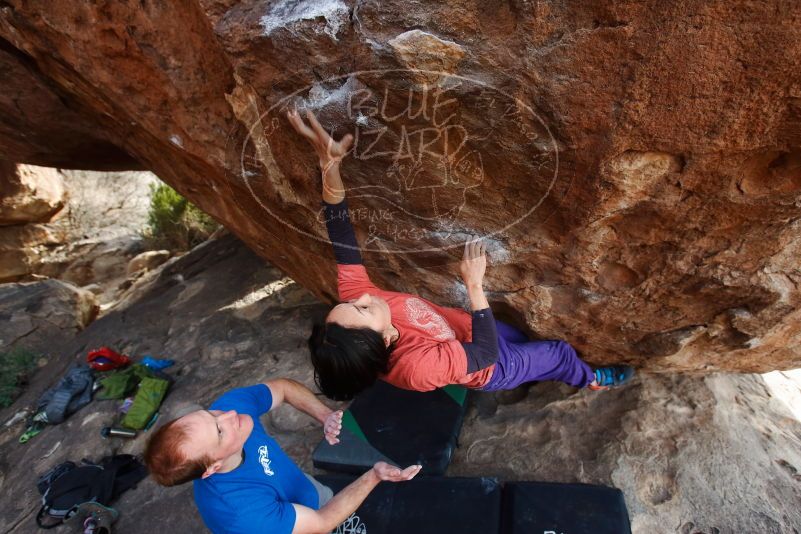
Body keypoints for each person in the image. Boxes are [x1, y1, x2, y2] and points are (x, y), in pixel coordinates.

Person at [287, 109, 634, 401]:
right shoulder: (416, 369)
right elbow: (485, 354)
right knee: (557, 353)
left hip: (471, 331)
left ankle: (535, 370)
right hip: (491, 366)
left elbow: (341, 236)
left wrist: (328, 166)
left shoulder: (357, 319)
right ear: (388, 338)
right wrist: (474, 285)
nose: (362, 295)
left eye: (350, 303)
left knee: (522, 341)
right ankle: (591, 378)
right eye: (362, 307)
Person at [144, 378, 421, 533]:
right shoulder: (243, 513)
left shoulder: (229, 411)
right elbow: (322, 522)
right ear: (212, 467)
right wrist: (373, 476)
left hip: (304, 494)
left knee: (324, 499)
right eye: (219, 432)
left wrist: (324, 416)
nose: (229, 415)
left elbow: (283, 388)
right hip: (291, 526)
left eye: (211, 414)